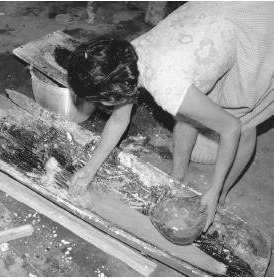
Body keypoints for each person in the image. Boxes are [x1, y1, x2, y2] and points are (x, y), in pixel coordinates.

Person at [55, 1, 273, 232]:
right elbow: (119, 120)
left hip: (254, 28)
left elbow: (231, 128)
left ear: (112, 96)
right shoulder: (123, 62)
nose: (99, 106)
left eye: (99, 101)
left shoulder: (168, 87)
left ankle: (219, 197)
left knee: (245, 120)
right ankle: (178, 175)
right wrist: (89, 169)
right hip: (211, 22)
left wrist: (214, 187)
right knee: (190, 112)